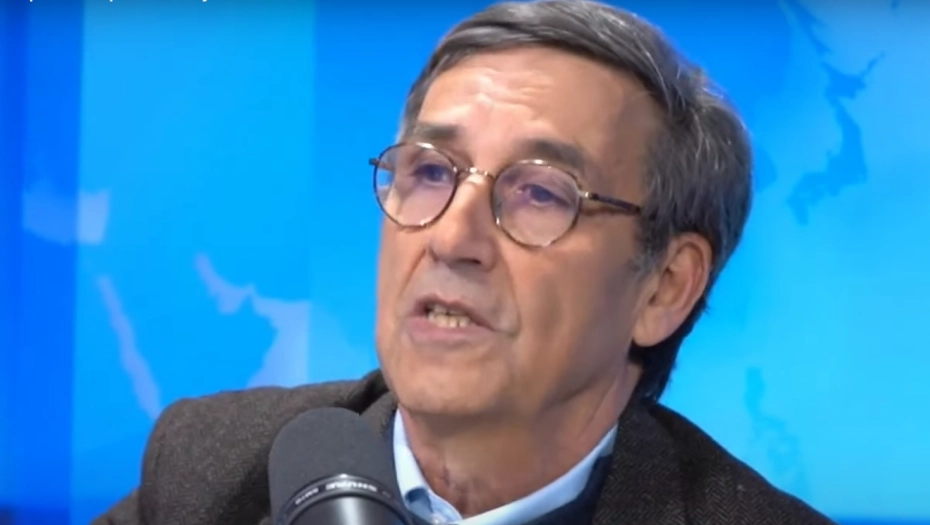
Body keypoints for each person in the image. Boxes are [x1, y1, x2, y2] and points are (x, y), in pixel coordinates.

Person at [95, 1, 836, 524]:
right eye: (428, 171)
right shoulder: (209, 476)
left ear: (664, 288)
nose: (452, 238)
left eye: (541, 191)